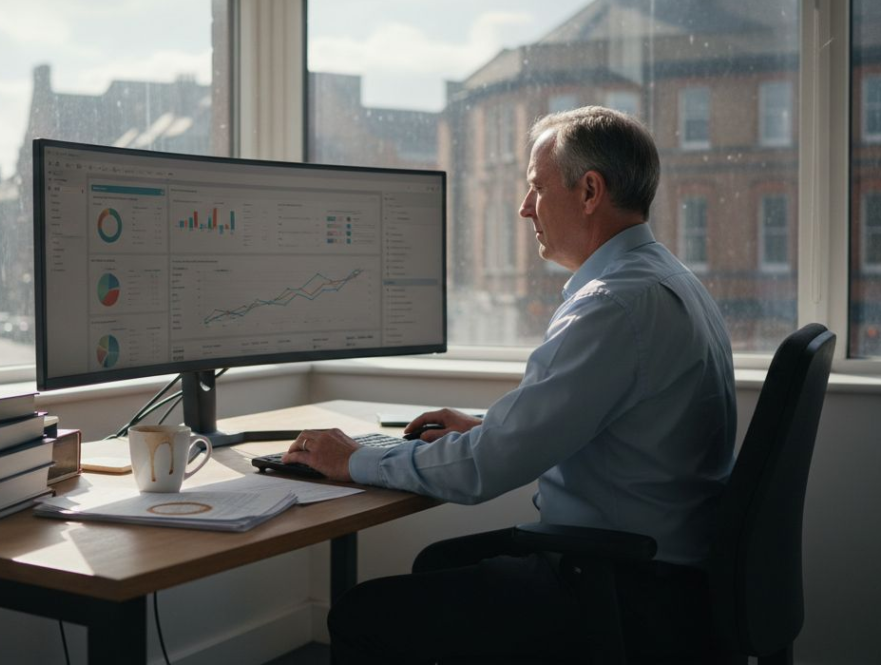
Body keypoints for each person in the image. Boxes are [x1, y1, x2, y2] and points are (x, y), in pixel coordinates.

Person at [281, 106, 737, 663]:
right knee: (437, 566)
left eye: (536, 188)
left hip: (625, 587)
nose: (525, 209)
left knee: (360, 616)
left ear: (590, 191)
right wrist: (486, 429)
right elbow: (604, 427)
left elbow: (483, 469)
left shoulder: (613, 305)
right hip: (664, 571)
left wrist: (352, 459)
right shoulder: (666, 280)